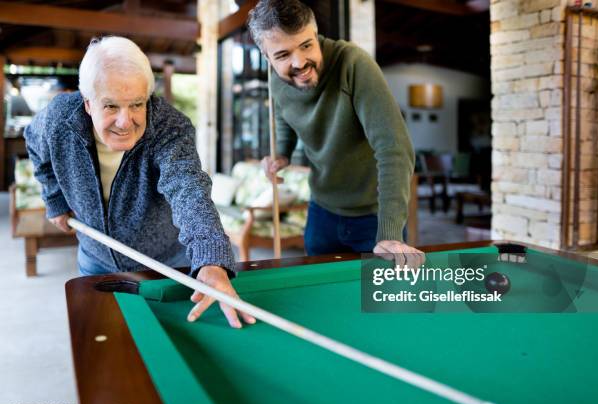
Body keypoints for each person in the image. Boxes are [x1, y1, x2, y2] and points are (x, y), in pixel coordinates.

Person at [25, 36, 254, 328]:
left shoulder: (170, 126)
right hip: (95, 258)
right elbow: (34, 145)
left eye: (136, 104)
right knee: (103, 336)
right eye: (110, 106)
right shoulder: (59, 118)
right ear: (87, 104)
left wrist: (210, 257)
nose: (125, 121)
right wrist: (54, 199)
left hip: (168, 264)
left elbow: (188, 188)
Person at [247, 0, 424, 265]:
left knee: (382, 302)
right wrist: (282, 154)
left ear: (316, 33)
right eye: (283, 55)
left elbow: (394, 149)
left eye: (306, 45)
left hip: (373, 218)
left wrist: (389, 234)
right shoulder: (276, 80)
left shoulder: (353, 64)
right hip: (321, 213)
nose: (300, 62)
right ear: (267, 58)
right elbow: (283, 112)